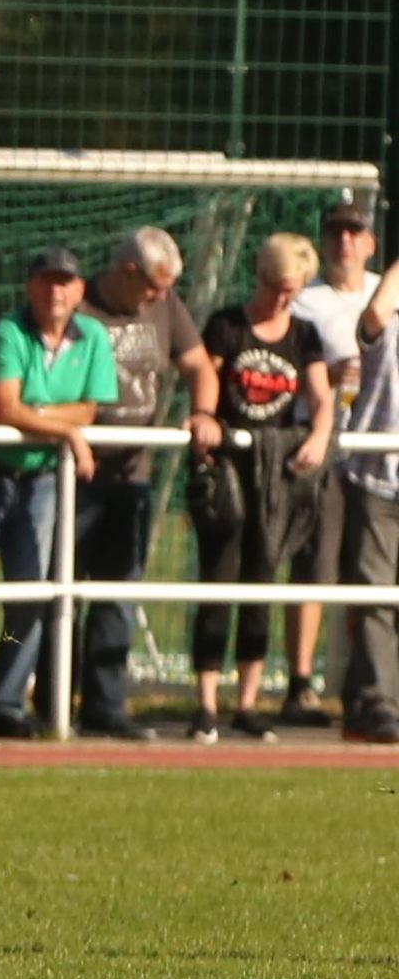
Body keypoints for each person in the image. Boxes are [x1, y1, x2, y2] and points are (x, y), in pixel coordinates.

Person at [0, 248, 115, 738]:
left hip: (40, 481)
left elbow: (88, 409)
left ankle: (6, 700)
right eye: (46, 281)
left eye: (66, 282)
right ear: (29, 287)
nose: (55, 291)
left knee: (27, 599)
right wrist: (64, 430)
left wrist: (45, 417)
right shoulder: (8, 331)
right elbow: (5, 407)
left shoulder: (94, 337)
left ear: (81, 290)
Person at [189, 233, 337, 742]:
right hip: (229, 469)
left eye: (291, 291)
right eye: (277, 288)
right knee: (218, 581)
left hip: (274, 478)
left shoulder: (304, 335)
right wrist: (205, 416)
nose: (283, 300)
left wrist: (319, 435)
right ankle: (206, 702)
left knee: (261, 581)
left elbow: (321, 396)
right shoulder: (228, 326)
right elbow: (206, 378)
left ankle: (247, 703)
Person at [75, 227, 218, 739]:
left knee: (119, 589)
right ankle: (43, 697)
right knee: (54, 593)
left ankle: (106, 704)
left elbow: (199, 365)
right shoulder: (80, 304)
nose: (160, 298)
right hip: (73, 473)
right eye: (155, 287)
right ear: (128, 272)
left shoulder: (166, 308)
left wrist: (202, 412)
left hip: (132, 474)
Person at [282, 201, 378, 723]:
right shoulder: (305, 302)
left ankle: (367, 686)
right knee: (315, 567)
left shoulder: (386, 292)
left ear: (371, 243)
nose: (345, 241)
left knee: (375, 572)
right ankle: (300, 684)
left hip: (382, 451)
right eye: (336, 231)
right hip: (324, 446)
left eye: (355, 232)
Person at [335, 257, 399, 744]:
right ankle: (378, 701)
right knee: (376, 592)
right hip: (378, 477)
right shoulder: (384, 326)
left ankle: (369, 698)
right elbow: (376, 312)